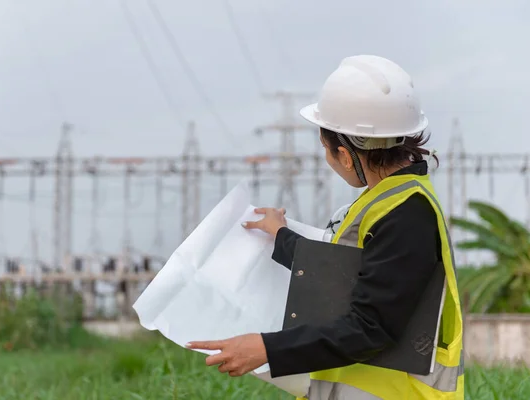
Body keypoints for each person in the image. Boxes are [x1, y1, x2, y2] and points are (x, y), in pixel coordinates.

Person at [187, 55, 464, 400]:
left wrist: (268, 349)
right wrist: (281, 237)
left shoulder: (406, 215)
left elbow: (371, 327)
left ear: (346, 156)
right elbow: (347, 271)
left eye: (325, 149)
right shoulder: (388, 200)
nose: (328, 158)